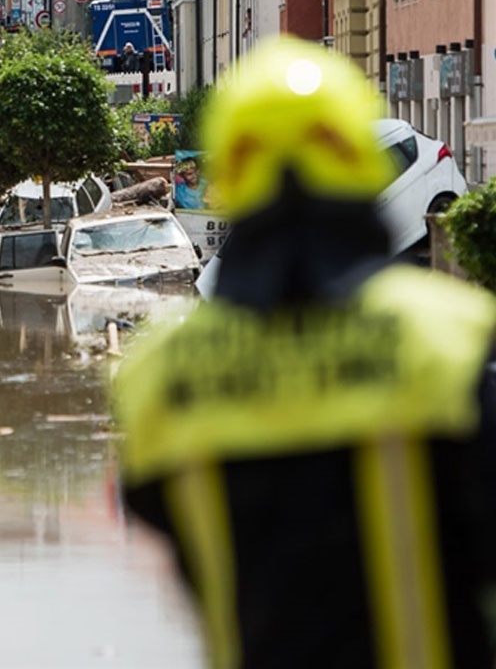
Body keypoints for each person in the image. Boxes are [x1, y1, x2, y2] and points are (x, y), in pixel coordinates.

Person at [113, 36, 496, 669]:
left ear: (229, 175)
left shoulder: (159, 375)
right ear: (358, 162)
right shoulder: (448, 339)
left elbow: (172, 540)